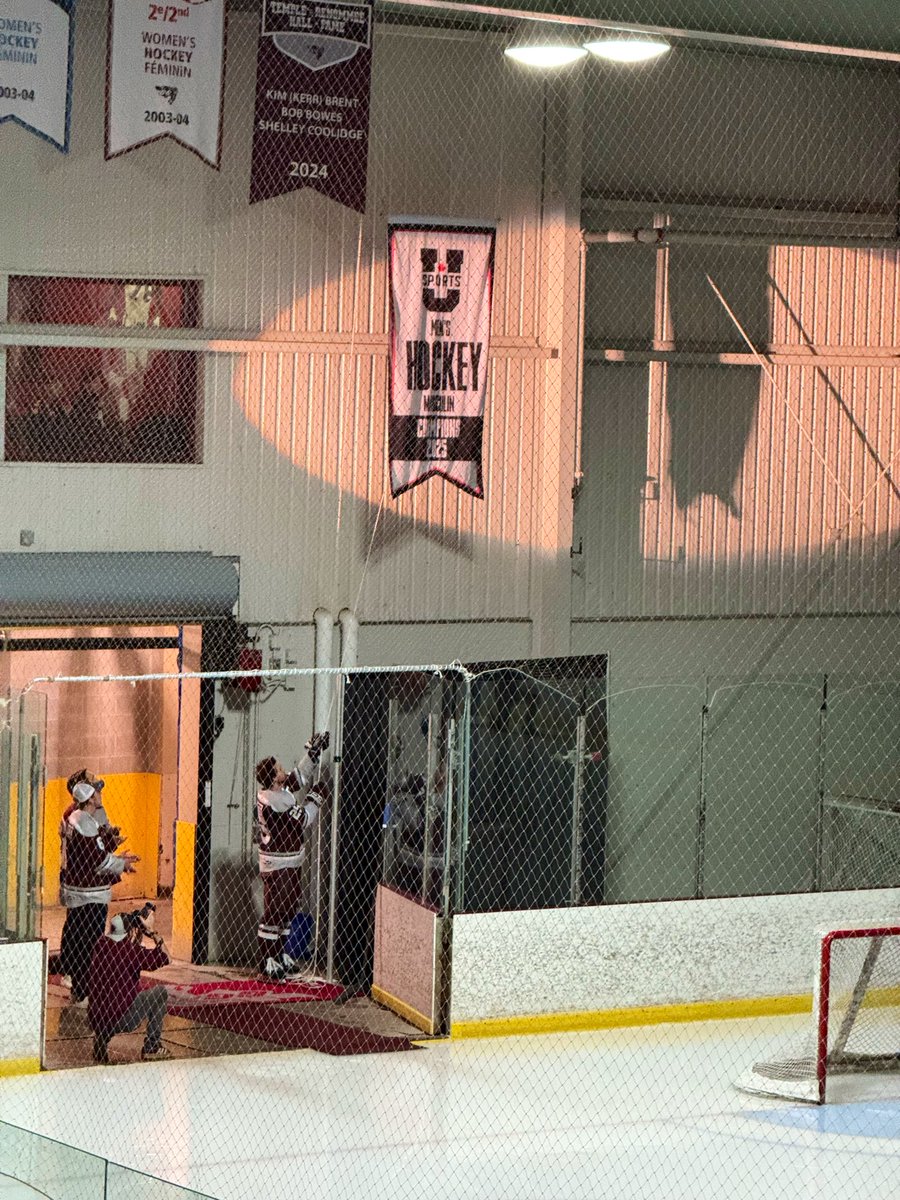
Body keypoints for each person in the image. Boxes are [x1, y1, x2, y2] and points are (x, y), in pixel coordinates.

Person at [254, 732, 330, 981]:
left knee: (288, 909)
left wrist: (312, 755)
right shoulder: (273, 803)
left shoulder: (278, 793)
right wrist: (316, 798)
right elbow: (302, 820)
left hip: (291, 860)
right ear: (273, 779)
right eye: (279, 769)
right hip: (278, 863)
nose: (283, 770)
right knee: (276, 910)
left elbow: (297, 778)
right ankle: (268, 958)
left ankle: (281, 954)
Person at [60, 780, 139, 1005]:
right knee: (89, 942)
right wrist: (120, 863)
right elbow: (96, 859)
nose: (100, 794)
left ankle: (77, 986)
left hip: (78, 890)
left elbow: (95, 851)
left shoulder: (75, 818)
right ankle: (83, 989)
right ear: (90, 798)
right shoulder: (83, 821)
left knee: (77, 937)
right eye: (97, 791)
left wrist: (114, 852)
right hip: (89, 894)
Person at [88, 907, 170, 1064]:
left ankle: (102, 1037)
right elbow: (167, 957)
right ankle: (152, 1046)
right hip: (122, 1018)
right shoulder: (131, 951)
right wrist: (152, 932)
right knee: (160, 992)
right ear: (130, 931)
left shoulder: (99, 944)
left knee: (112, 998)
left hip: (96, 1018)